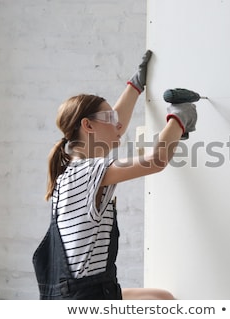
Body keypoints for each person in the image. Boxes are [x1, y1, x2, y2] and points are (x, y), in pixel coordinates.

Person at [32, 50, 197, 300]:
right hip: (85, 299)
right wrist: (179, 118)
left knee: (162, 298)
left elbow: (114, 125)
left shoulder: (71, 170)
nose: (118, 125)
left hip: (83, 292)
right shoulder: (88, 172)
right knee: (162, 302)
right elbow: (155, 161)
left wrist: (135, 85)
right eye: (110, 118)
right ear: (87, 126)